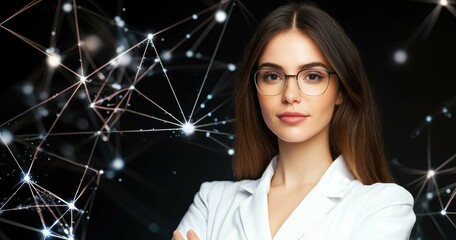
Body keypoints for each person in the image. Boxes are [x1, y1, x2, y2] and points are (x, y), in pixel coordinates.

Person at [173, 1, 416, 239]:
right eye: (272, 76)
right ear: (255, 89)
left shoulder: (384, 205)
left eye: (312, 76)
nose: (290, 95)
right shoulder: (212, 201)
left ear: (341, 90)